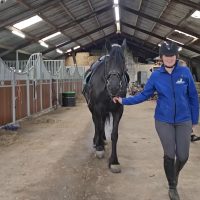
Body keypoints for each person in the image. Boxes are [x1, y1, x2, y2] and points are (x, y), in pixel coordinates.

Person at [113, 41, 199, 200]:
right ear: (161, 58)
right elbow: (144, 95)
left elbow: (193, 97)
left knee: (183, 156)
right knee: (169, 153)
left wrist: (195, 119)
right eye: (166, 56)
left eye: (172, 56)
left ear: (176, 56)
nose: (169, 59)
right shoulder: (156, 75)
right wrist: (124, 101)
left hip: (184, 119)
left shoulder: (184, 72)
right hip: (163, 120)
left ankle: (174, 173)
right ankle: (172, 186)